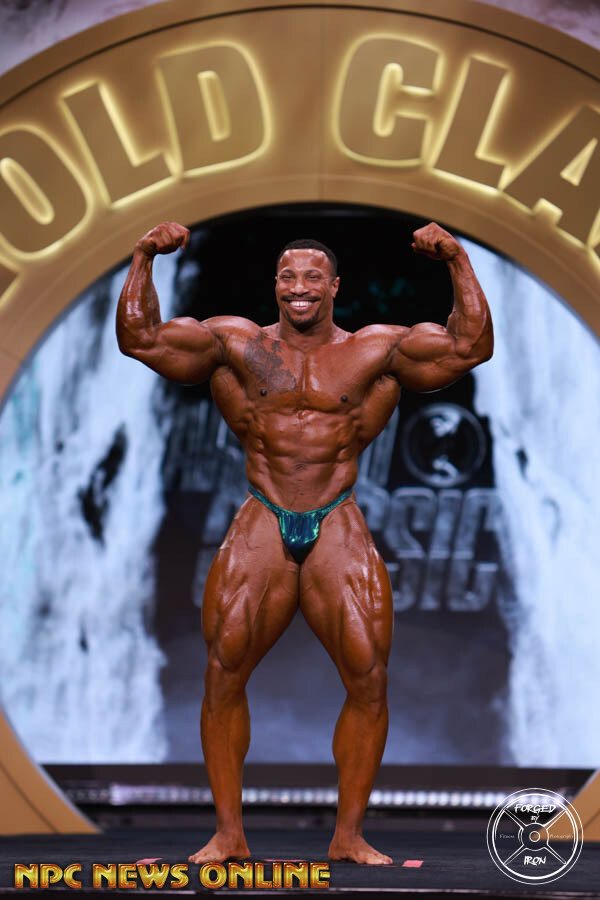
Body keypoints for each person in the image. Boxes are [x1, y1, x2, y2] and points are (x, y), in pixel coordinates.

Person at [116, 220, 493, 865]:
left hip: (336, 517)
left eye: (313, 277)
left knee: (368, 678)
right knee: (223, 673)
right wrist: (145, 255)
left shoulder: (375, 350)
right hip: (263, 515)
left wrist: (457, 257)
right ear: (275, 285)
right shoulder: (240, 345)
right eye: (288, 276)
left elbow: (469, 348)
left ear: (334, 286)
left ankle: (348, 835)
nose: (300, 287)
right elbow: (141, 338)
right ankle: (229, 834)